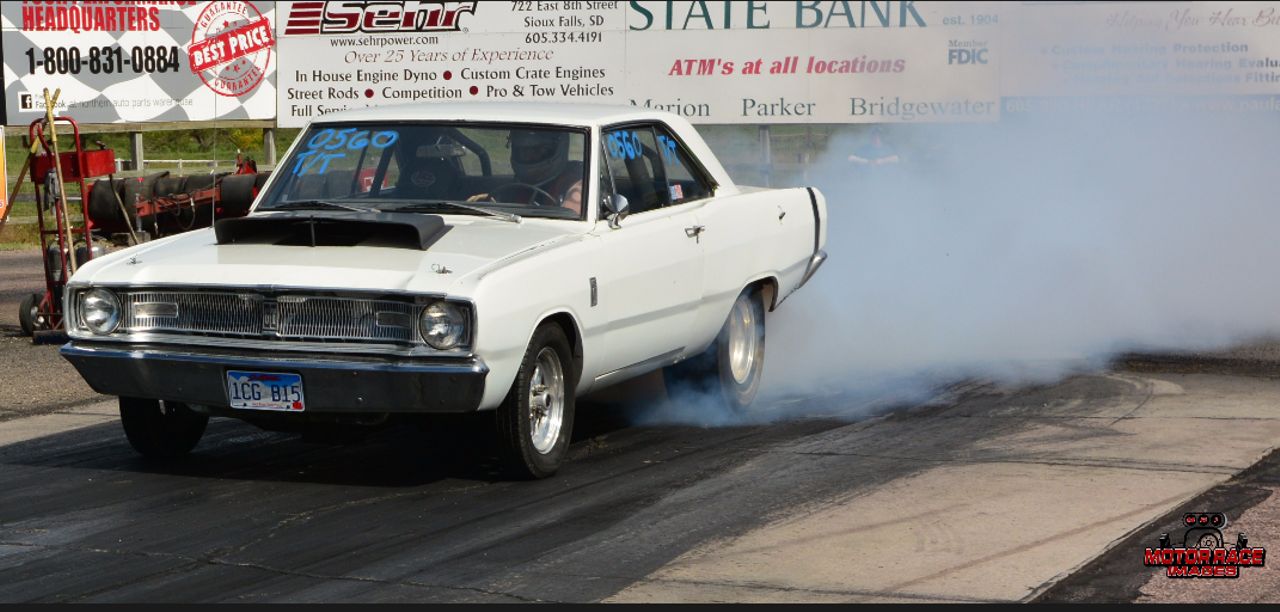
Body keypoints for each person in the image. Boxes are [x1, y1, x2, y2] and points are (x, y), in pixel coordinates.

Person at [471, 130, 584, 215]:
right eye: (522, 150)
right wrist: (490, 206)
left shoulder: (576, 183)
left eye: (537, 150)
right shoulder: (516, 186)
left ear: (559, 147)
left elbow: (569, 224)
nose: (528, 156)